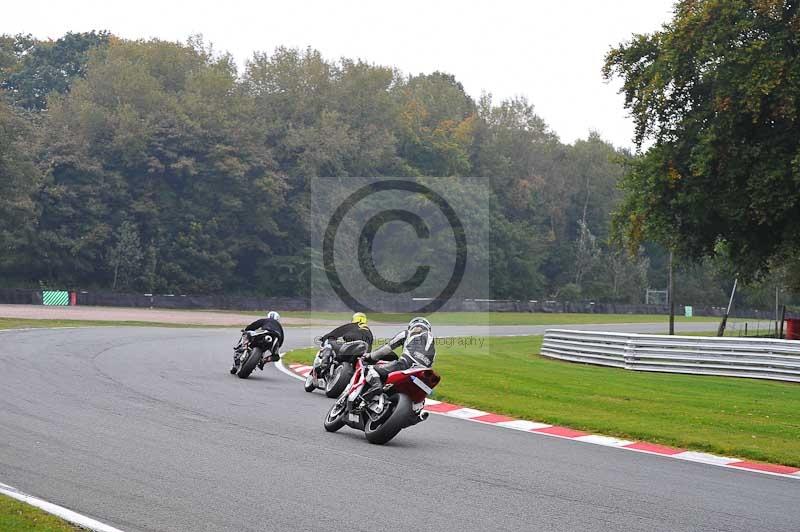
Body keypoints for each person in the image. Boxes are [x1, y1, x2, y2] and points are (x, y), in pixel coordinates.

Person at [362, 316, 435, 397]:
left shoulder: (407, 333)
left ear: (412, 326)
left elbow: (386, 348)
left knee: (370, 369)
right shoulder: (432, 345)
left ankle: (376, 386)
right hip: (423, 373)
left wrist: (370, 356)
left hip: (406, 365)